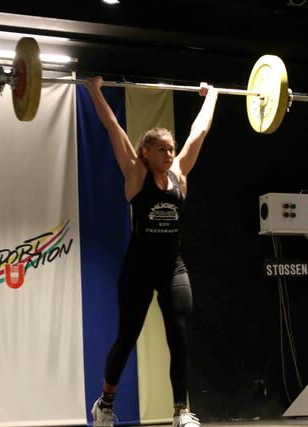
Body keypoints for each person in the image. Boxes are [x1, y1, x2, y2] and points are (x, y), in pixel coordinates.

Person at [83, 76, 218, 427]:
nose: (169, 154)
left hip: (173, 267)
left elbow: (199, 132)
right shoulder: (135, 174)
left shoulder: (179, 174)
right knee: (127, 337)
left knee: (179, 334)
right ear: (146, 152)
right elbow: (113, 127)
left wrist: (212, 96)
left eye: (171, 149)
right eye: (162, 149)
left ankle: (180, 411)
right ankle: (105, 405)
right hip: (138, 270)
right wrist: (94, 91)